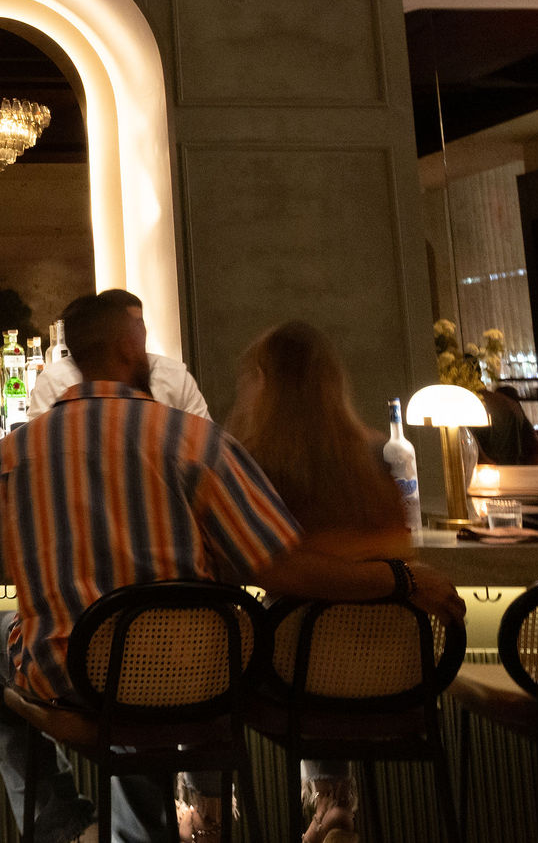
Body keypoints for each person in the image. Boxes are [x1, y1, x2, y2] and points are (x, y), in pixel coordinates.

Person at [0, 293, 465, 843]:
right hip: (200, 674)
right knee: (169, 653)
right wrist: (404, 578)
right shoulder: (199, 441)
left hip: (72, 674)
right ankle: (234, 809)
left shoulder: (9, 454)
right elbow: (278, 566)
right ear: (131, 345)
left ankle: (71, 827)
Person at [225, 321, 415, 843]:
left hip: (292, 678)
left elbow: (240, 564)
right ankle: (334, 801)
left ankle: (207, 808)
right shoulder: (378, 457)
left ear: (261, 381)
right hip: (398, 674)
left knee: (210, 644)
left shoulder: (250, 463)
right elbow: (399, 552)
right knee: (323, 639)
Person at [26, 289, 210, 421]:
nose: (136, 334)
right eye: (128, 326)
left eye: (140, 323)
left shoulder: (174, 374)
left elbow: (205, 432)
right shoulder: (54, 378)